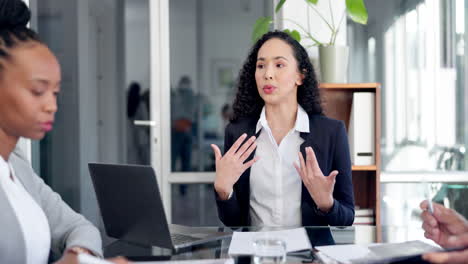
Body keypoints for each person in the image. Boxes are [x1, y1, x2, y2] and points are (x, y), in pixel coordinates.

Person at [0, 0, 128, 263]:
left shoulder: (16, 165)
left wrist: (80, 256)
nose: (52, 105)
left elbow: (79, 228)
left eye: (56, 92)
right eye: (37, 91)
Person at [211, 31, 354, 227]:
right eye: (261, 66)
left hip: (308, 256)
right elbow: (233, 221)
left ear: (300, 76)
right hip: (255, 254)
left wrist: (326, 203)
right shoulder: (237, 133)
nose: (267, 74)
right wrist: (223, 190)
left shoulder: (332, 132)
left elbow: (347, 218)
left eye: (279, 65)